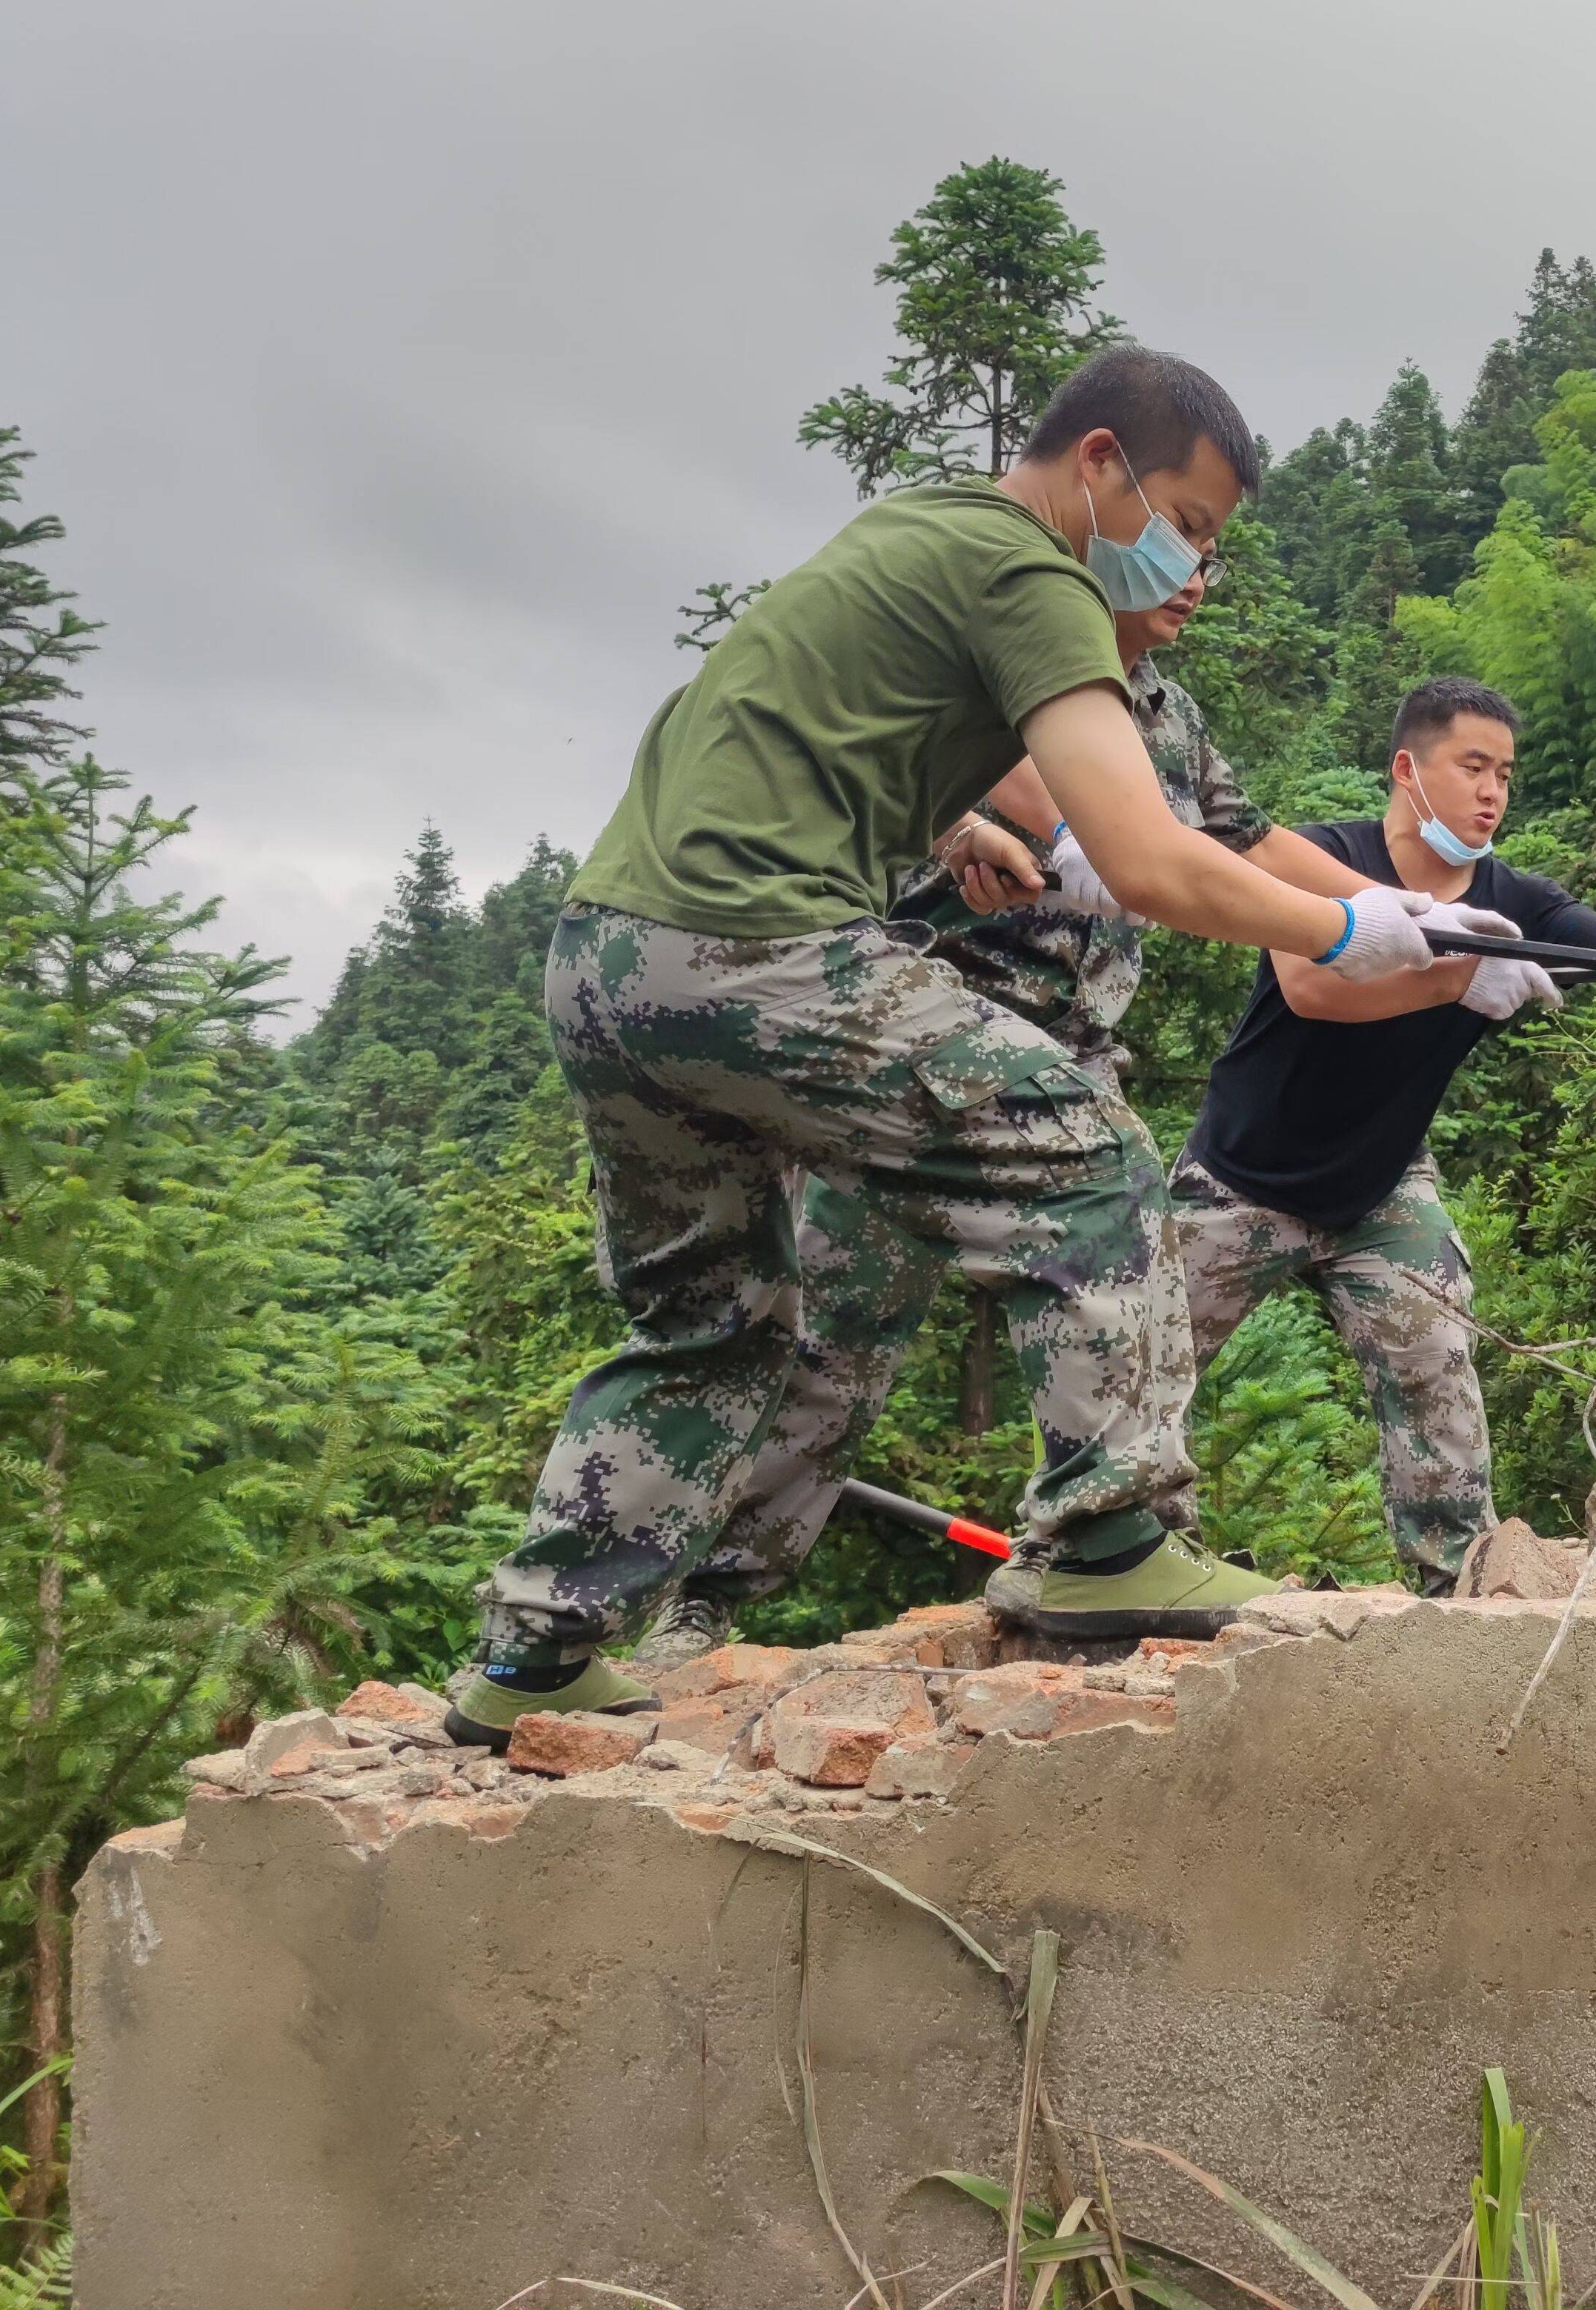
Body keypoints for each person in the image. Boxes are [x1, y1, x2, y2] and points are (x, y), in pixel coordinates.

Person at [443, 346, 1444, 1746]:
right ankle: (1106, 1536)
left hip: (610, 959)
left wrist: (942, 818)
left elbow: (761, 724)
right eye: (1187, 523)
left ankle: (535, 1656)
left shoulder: (907, 528)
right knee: (1086, 1154)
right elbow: (1151, 854)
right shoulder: (1033, 573)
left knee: (712, 1322)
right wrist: (1344, 934)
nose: (1188, 561)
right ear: (1098, 464)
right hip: (757, 950)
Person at [991, 675, 1596, 1617]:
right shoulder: (1318, 857)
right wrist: (1458, 982)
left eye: (1505, 775)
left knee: (1437, 1370)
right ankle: (1084, 1558)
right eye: (1472, 766)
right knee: (1135, 1369)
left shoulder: (1511, 900)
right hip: (1239, 1178)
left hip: (1384, 1186)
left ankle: (1463, 1595)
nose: (1491, 793)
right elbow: (1314, 986)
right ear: (1407, 769)